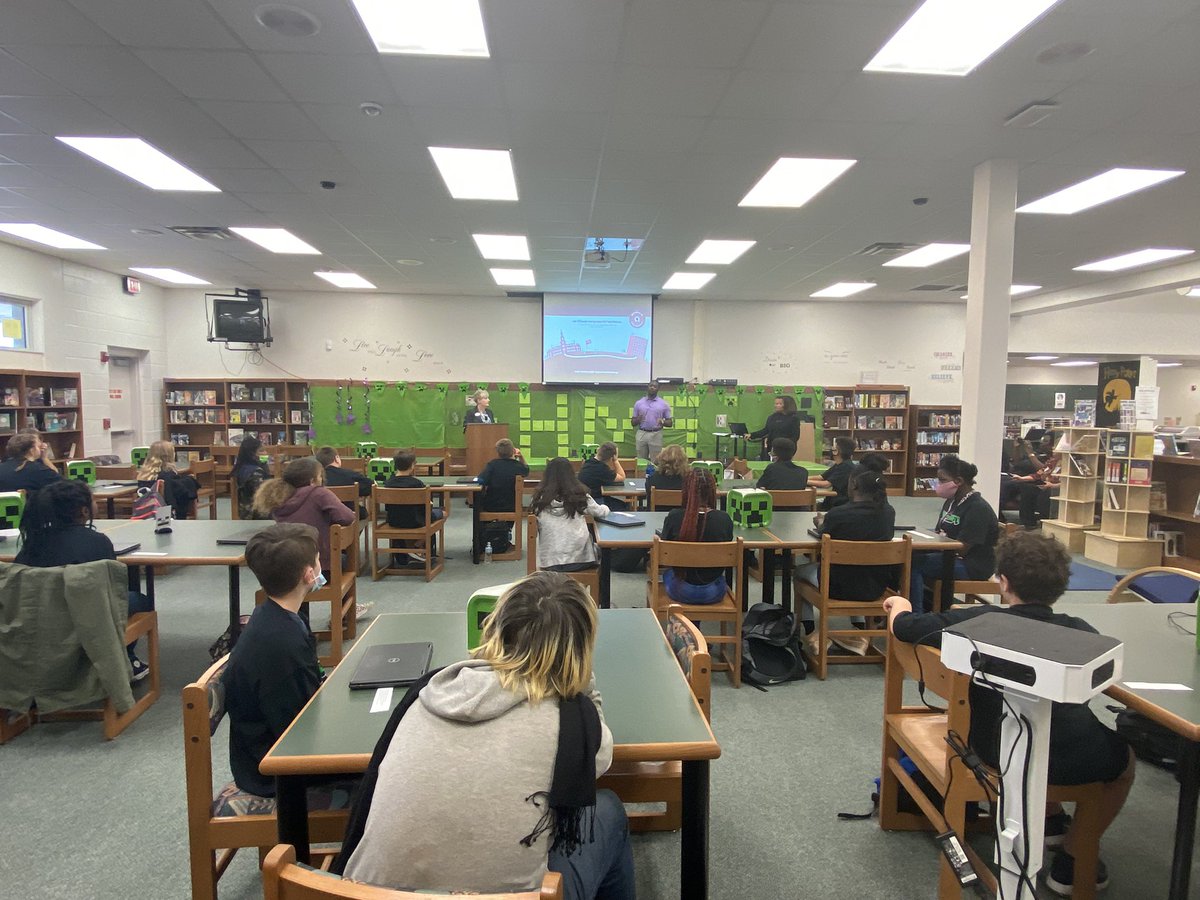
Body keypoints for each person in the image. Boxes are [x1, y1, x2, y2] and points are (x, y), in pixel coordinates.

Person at [336, 572, 634, 899]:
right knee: (607, 809)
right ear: (581, 648)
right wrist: (581, 677)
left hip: (361, 894)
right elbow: (600, 759)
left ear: (496, 630)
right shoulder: (572, 725)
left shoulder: (427, 693)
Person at [885, 531, 1135, 897]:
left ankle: (1049, 819)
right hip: (1078, 757)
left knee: (1024, 726)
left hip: (995, 753)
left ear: (1002, 582)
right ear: (1061, 586)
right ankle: (1072, 856)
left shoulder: (976, 622)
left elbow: (905, 629)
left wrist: (900, 605)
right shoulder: (1081, 631)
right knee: (1124, 761)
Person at [223, 524, 325, 797]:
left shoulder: (274, 616)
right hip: (277, 773)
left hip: (272, 751)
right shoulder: (281, 645)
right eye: (318, 559)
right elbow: (299, 729)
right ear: (309, 574)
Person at [15, 479, 151, 681]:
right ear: (84, 511)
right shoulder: (97, 541)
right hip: (87, 620)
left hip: (38, 621)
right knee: (140, 600)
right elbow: (112, 588)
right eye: (93, 500)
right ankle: (126, 656)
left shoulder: (33, 542)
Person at [794, 468, 896, 656]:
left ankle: (811, 633)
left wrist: (820, 523)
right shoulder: (888, 513)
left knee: (799, 572)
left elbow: (825, 532)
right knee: (858, 568)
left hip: (836, 586)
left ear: (854, 485)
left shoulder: (838, 514)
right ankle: (858, 632)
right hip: (875, 587)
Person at [909, 454, 999, 615]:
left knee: (913, 565)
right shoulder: (951, 502)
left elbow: (963, 547)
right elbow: (940, 532)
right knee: (908, 558)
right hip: (948, 555)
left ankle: (916, 615)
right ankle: (928, 607)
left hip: (972, 564)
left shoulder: (977, 508)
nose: (938, 484)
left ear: (958, 481)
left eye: (942, 480)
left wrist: (936, 545)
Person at [253, 456, 355, 576]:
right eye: (320, 476)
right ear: (312, 481)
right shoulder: (319, 493)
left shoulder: (278, 497)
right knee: (344, 560)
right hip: (319, 569)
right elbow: (348, 517)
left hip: (286, 569)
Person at [659, 468, 734, 604]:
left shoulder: (674, 516)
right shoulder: (724, 519)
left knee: (668, 574)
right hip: (714, 592)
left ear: (686, 491)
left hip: (680, 590)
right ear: (712, 491)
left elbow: (664, 555)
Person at [529, 457, 608, 572]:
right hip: (580, 559)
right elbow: (600, 512)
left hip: (549, 562)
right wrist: (606, 507)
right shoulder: (580, 495)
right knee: (601, 553)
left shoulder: (539, 499)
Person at [383, 449, 446, 566]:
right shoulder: (417, 484)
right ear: (412, 465)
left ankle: (409, 551)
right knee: (443, 513)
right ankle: (416, 545)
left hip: (393, 521)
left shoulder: (388, 483)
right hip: (415, 521)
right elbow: (426, 506)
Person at [136, 440, 200, 520]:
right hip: (164, 513)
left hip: (144, 512)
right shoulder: (169, 475)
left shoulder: (143, 474)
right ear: (170, 455)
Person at [315, 445, 373, 519]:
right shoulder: (349, 474)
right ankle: (352, 530)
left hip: (324, 515)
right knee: (362, 512)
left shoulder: (316, 479)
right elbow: (369, 486)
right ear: (336, 458)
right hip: (350, 513)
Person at [809, 436, 857, 510]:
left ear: (837, 451)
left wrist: (804, 481)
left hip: (839, 503)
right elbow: (821, 477)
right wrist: (802, 477)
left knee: (808, 505)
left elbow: (826, 484)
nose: (832, 448)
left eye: (834, 447)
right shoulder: (839, 464)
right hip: (832, 500)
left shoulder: (846, 467)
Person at [748, 395, 801, 461]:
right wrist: (752, 435)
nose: (776, 405)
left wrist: (784, 446)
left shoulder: (793, 418)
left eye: (779, 404)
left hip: (785, 449)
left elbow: (795, 436)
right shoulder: (772, 417)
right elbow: (765, 430)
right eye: (776, 403)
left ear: (787, 405)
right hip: (771, 448)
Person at [578, 442, 627, 511]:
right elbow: (622, 477)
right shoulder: (602, 469)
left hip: (585, 498)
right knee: (623, 506)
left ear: (598, 450)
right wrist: (615, 460)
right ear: (612, 457)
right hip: (593, 501)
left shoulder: (588, 461)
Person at [233, 436, 272, 520]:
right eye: (261, 451)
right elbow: (264, 494)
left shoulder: (242, 467)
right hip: (256, 513)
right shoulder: (255, 472)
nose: (265, 453)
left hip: (245, 511)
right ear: (252, 454)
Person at [631, 382, 673, 462]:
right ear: (647, 387)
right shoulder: (639, 403)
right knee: (641, 460)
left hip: (656, 434)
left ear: (658, 389)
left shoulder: (663, 404)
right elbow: (633, 423)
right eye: (651, 386)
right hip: (642, 433)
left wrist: (663, 422)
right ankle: (642, 475)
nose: (652, 388)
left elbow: (670, 423)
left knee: (656, 460)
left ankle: (655, 474)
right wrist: (638, 419)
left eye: (655, 386)